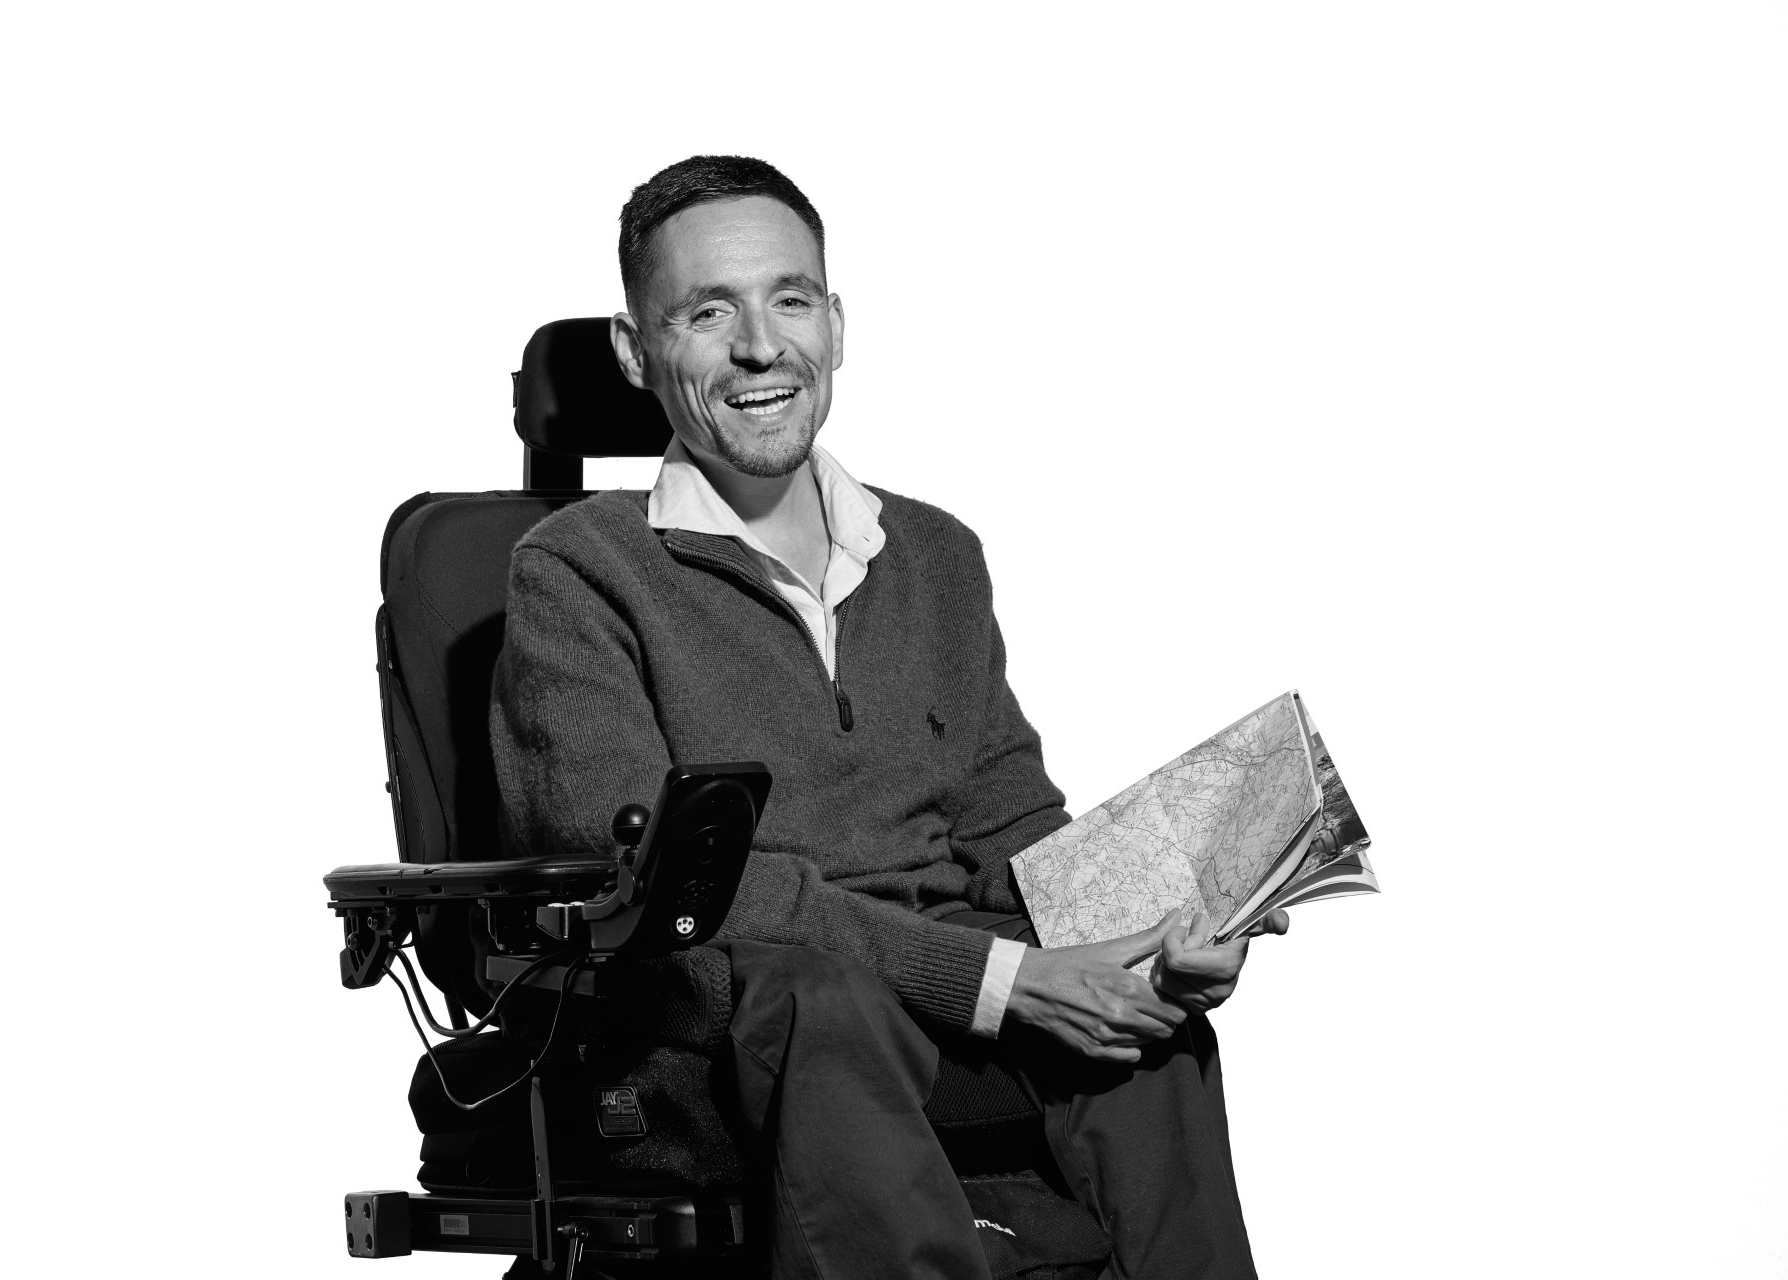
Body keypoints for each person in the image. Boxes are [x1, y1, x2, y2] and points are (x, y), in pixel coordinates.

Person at [491, 155, 1286, 1280]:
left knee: (1145, 1037)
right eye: (709, 311)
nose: (762, 346)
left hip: (936, 1015)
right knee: (826, 1003)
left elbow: (1015, 831)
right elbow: (668, 888)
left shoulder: (933, 555)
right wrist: (995, 979)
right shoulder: (578, 573)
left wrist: (1153, 934)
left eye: (791, 299)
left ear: (837, 322)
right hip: (707, 1029)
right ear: (635, 353)